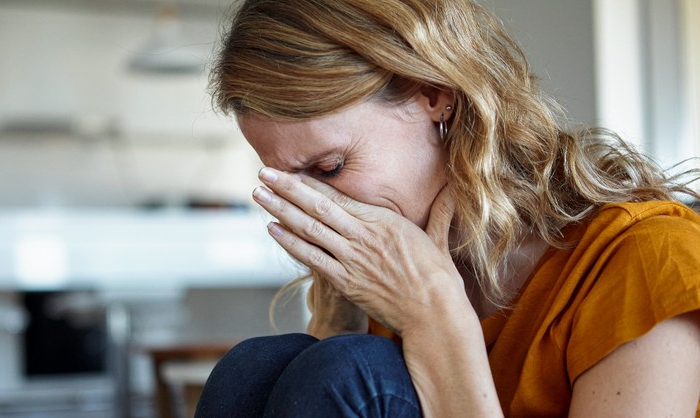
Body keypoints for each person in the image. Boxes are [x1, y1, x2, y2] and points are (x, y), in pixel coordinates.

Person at [194, 0, 700, 416]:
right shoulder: (387, 267)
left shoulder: (648, 259)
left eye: (329, 169)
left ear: (435, 95)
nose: (315, 206)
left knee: (348, 369)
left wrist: (436, 320)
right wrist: (336, 319)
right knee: (256, 367)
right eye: (288, 182)